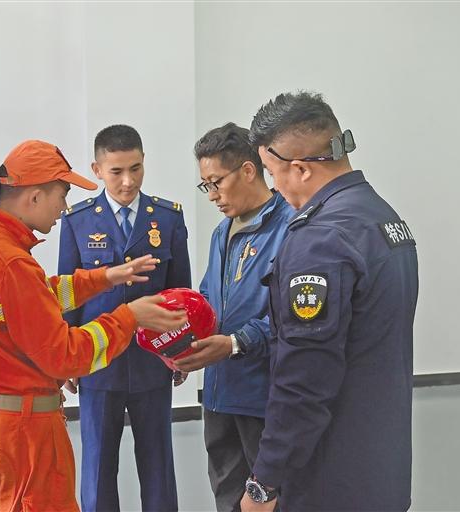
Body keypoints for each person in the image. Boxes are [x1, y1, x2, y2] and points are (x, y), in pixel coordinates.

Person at [0, 139, 188, 512]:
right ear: (35, 197)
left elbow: (37, 298)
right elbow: (65, 356)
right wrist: (130, 316)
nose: (63, 208)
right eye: (61, 195)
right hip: (24, 434)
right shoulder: (12, 265)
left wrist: (106, 276)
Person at [241, 92, 419, 512]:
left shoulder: (321, 240)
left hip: (331, 474)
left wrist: (264, 482)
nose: (273, 187)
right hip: (382, 464)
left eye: (272, 173)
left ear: (300, 168)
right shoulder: (383, 217)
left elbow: (304, 379)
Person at [58, 125, 191, 512]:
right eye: (116, 171)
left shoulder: (167, 218)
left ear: (144, 161)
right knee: (98, 465)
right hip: (98, 362)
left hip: (153, 361)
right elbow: (68, 294)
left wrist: (182, 348)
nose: (128, 181)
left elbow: (180, 293)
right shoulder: (78, 221)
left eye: (136, 168)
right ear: (97, 169)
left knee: (158, 463)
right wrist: (67, 359)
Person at [174, 122, 293, 512]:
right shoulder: (221, 233)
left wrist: (235, 343)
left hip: (264, 397)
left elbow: (292, 319)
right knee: (227, 497)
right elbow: (208, 302)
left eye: (216, 183)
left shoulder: (291, 227)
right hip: (220, 394)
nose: (211, 195)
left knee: (271, 501)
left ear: (247, 170)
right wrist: (181, 342)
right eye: (204, 185)